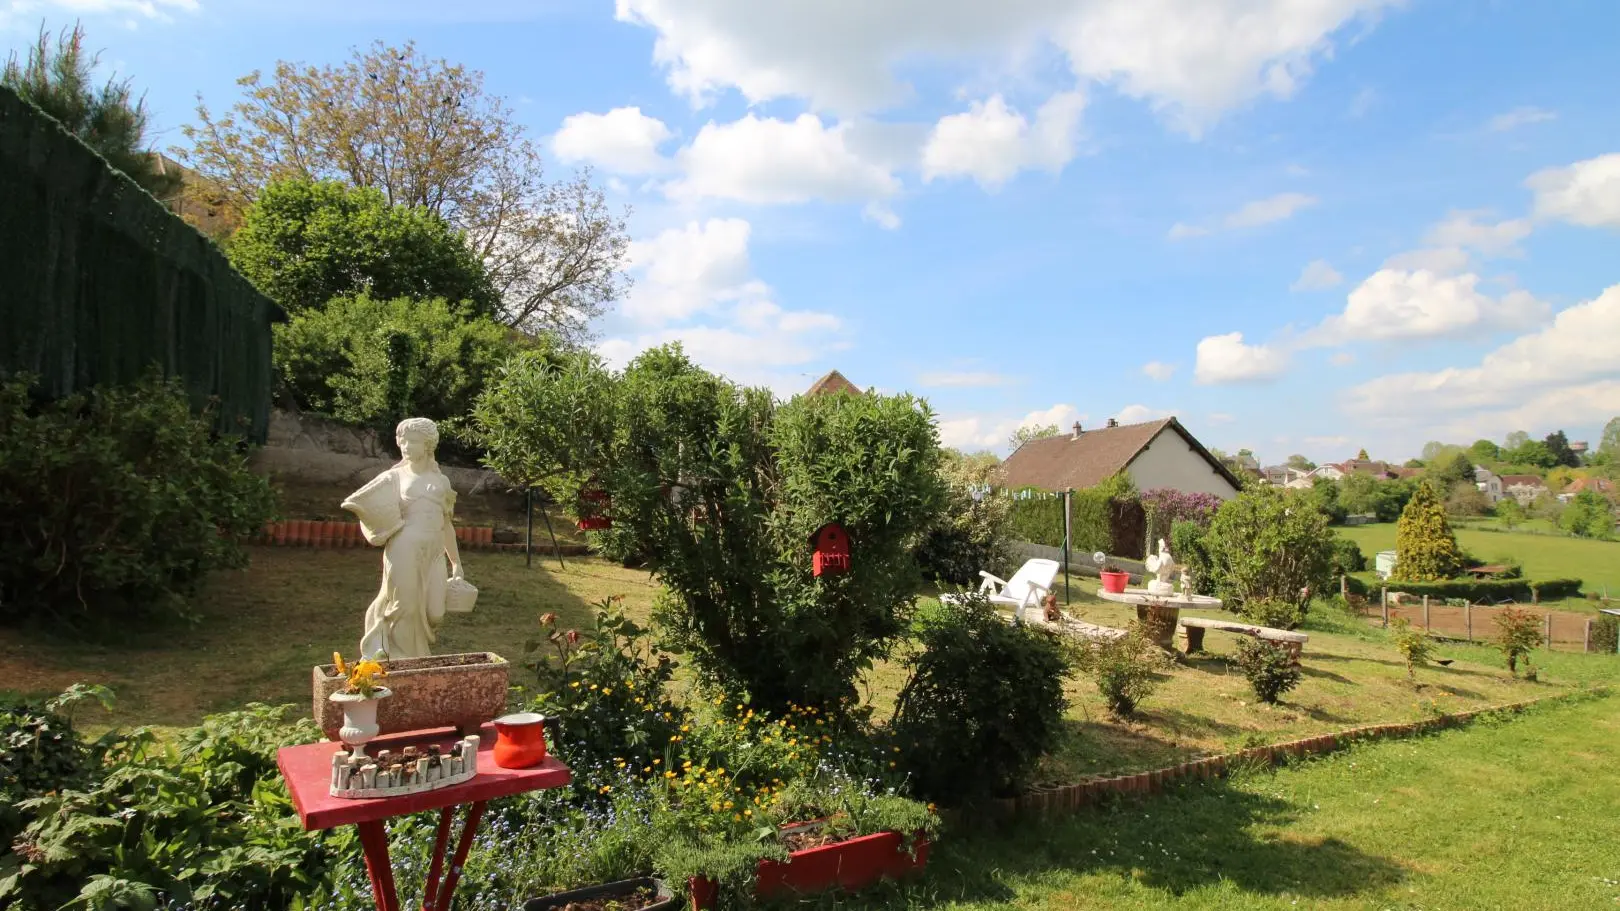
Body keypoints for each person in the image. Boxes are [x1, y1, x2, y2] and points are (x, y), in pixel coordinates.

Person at [343, 417, 465, 659]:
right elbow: (365, 503)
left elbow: (447, 525)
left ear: (428, 445)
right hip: (404, 548)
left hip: (434, 551)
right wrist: (375, 523)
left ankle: (403, 653)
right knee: (404, 607)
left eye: (413, 441)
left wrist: (456, 563)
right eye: (403, 441)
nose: (406, 447)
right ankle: (401, 661)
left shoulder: (442, 481)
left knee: (436, 613)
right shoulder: (393, 477)